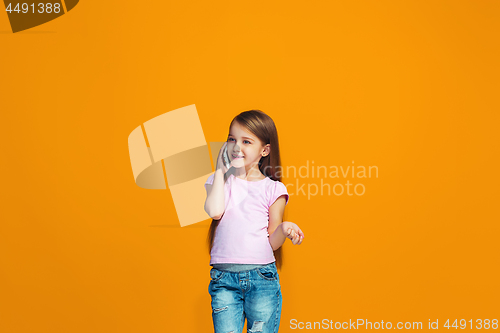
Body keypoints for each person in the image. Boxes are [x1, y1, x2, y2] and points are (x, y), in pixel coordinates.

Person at [204, 110, 305, 333]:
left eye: (246, 141)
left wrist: (284, 229)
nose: (236, 146)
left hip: (261, 277)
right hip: (223, 280)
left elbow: (273, 241)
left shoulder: (273, 188)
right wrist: (221, 171)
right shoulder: (220, 180)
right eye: (231, 139)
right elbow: (214, 211)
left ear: (264, 150)